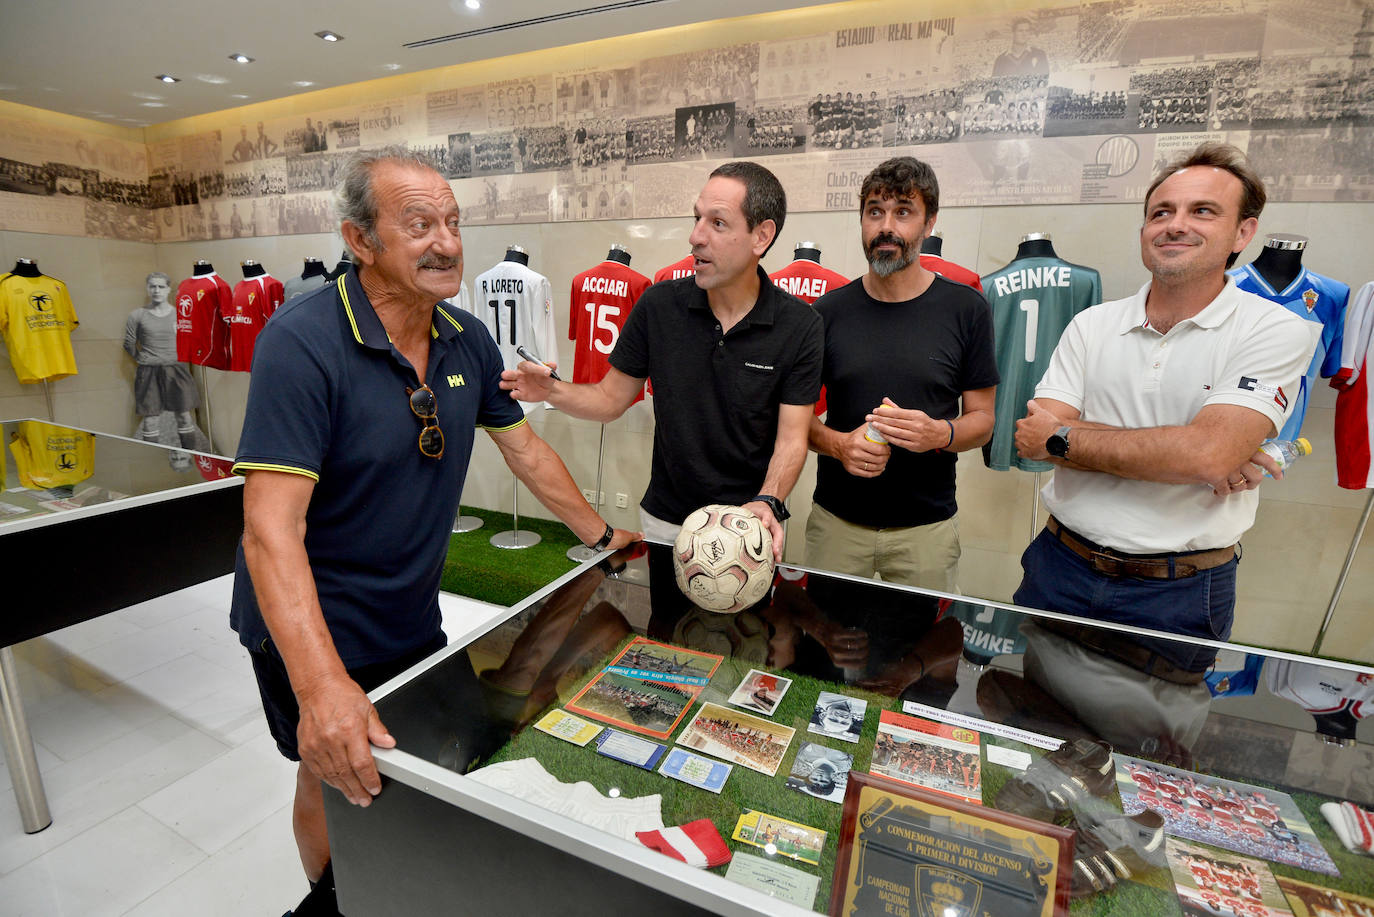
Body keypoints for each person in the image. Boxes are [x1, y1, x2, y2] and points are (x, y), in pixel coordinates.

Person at [229, 147, 638, 914]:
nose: (446, 242)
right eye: (418, 224)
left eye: (451, 222)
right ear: (360, 240)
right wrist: (321, 688)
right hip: (311, 624)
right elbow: (269, 531)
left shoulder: (465, 337)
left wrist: (602, 533)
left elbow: (525, 449)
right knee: (330, 771)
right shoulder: (301, 341)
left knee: (409, 770)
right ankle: (328, 901)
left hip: (410, 616)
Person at [1012, 142, 1318, 692]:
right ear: (1145, 230)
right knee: (1035, 730)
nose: (1176, 225)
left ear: (1243, 233)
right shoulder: (1093, 325)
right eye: (1162, 212)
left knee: (1144, 765)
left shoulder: (1277, 330)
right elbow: (1033, 437)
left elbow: (1206, 455)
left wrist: (1071, 437)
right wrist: (1188, 449)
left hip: (1177, 593)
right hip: (1060, 566)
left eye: (1203, 211)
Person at [502, 161, 822, 557]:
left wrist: (768, 500)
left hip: (749, 526)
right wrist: (552, 389)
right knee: (662, 621)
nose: (695, 237)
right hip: (668, 522)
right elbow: (609, 400)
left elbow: (793, 436)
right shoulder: (658, 306)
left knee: (748, 623)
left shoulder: (801, 325)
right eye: (697, 218)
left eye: (717, 223)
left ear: (762, 236)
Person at [806, 157, 998, 592]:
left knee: (918, 656)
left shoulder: (967, 310)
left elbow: (983, 421)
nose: (886, 227)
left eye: (903, 212)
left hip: (925, 532)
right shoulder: (826, 313)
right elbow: (795, 419)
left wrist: (940, 434)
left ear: (929, 223)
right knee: (824, 656)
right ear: (861, 221)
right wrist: (839, 445)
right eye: (875, 211)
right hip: (836, 524)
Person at [122, 271, 203, 450]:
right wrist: (143, 359)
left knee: (184, 415)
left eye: (161, 286)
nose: (156, 290)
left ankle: (191, 455)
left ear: (168, 289)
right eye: (152, 286)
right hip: (149, 371)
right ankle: (154, 459)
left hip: (177, 370)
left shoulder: (180, 315)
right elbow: (128, 343)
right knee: (151, 418)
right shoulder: (137, 315)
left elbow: (191, 340)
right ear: (147, 289)